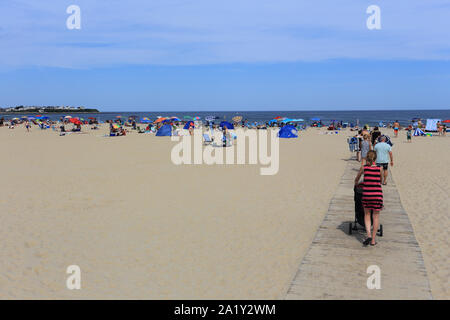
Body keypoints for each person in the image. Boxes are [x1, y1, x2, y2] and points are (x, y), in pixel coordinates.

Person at [354, 150, 383, 246]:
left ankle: (368, 235)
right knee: (376, 216)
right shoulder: (379, 168)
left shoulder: (364, 168)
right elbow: (381, 181)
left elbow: (357, 178)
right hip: (377, 195)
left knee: (367, 215)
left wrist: (356, 183)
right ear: (375, 158)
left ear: (367, 158)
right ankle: (373, 240)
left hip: (367, 194)